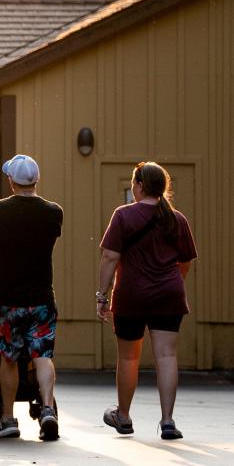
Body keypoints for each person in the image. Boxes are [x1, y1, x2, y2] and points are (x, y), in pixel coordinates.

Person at [97, 162, 197, 441]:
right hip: (169, 294)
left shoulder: (123, 215)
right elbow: (185, 261)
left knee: (129, 357)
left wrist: (101, 296)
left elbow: (109, 257)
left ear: (140, 186)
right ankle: (167, 422)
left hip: (131, 295)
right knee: (166, 357)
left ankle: (124, 417)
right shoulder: (177, 219)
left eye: (134, 183)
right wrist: (171, 283)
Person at [0, 153, 63, 440]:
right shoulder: (53, 212)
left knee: (9, 357)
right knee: (42, 355)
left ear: (11, 181)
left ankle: (7, 418)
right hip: (41, 297)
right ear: (36, 180)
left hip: (8, 298)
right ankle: (48, 409)